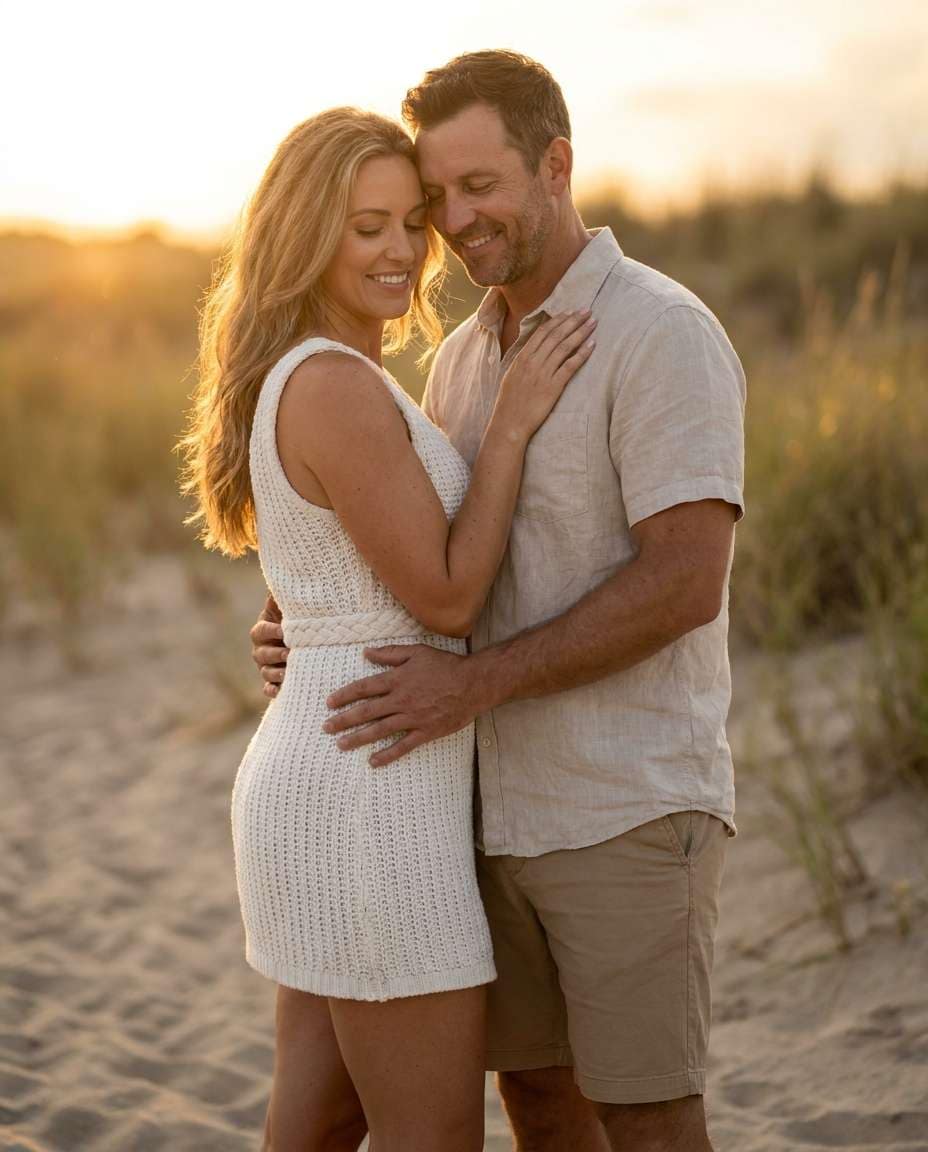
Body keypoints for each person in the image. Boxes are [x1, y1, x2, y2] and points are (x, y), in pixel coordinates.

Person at [253, 52, 746, 1152]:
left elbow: (683, 581)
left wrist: (471, 683)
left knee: (648, 1115)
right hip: (477, 811)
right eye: (438, 199)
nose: (454, 222)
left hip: (620, 803)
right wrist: (313, 622)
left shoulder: (659, 332)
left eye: (480, 187)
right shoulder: (463, 363)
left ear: (554, 165)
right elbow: (418, 562)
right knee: (540, 1105)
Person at [180, 106, 595, 1152]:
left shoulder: (337, 376)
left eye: (410, 221)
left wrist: (298, 625)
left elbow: (332, 565)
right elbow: (446, 599)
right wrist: (509, 425)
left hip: (343, 765)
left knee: (315, 1128)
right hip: (369, 792)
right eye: (365, 226)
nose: (403, 249)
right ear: (306, 234)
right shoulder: (330, 384)